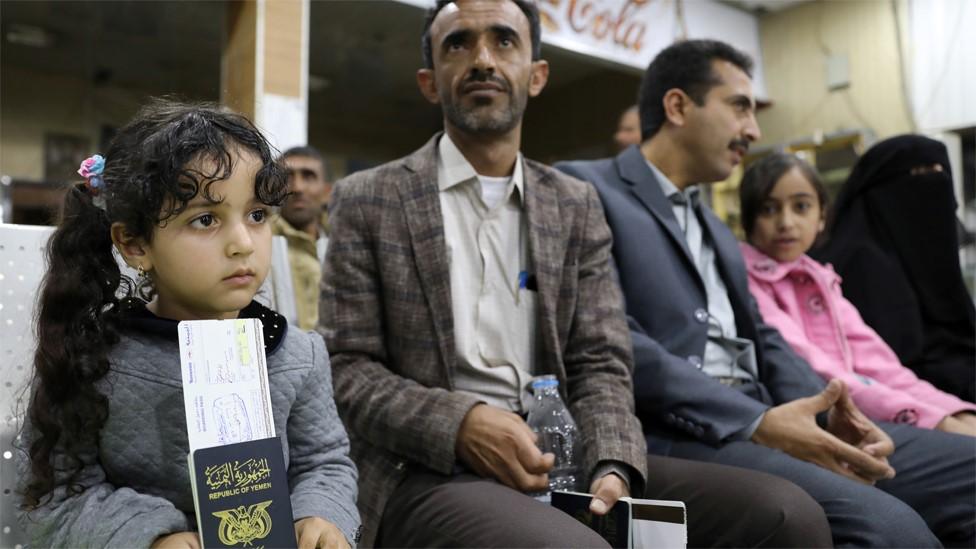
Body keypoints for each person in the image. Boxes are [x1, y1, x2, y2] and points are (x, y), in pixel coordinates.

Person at [320, 2, 830, 548]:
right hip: (429, 466)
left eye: (504, 41)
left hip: (566, 454)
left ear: (536, 75)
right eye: (458, 44)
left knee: (785, 516)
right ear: (429, 82)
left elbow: (601, 358)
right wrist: (460, 422)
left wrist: (613, 461)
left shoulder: (573, 203)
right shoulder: (369, 199)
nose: (483, 60)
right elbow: (348, 368)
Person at [556, 39, 976, 547]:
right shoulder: (585, 189)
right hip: (682, 432)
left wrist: (833, 413)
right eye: (739, 107)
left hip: (769, 414)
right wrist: (757, 420)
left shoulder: (714, 225)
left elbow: (765, 338)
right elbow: (615, 339)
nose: (752, 131)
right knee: (892, 530)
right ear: (677, 106)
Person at [16, 100, 360, 549]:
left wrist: (321, 515)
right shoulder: (94, 358)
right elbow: (59, 495)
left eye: (257, 215)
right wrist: (153, 536)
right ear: (135, 244)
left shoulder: (297, 355)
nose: (242, 244)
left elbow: (325, 462)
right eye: (205, 219)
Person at [738, 151, 976, 434]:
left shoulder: (821, 278)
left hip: (867, 408)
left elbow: (880, 365)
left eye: (801, 206)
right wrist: (934, 420)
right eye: (768, 209)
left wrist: (952, 411)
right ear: (748, 222)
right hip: (814, 423)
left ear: (822, 216)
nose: (786, 222)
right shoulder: (746, 281)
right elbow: (820, 369)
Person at [812, 135, 976, 402]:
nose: (936, 186)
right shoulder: (860, 262)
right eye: (919, 174)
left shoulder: (918, 252)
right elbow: (891, 370)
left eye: (941, 173)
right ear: (881, 189)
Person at [274, 145, 332, 330]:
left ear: (326, 191)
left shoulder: (343, 246)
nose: (297, 187)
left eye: (308, 176)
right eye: (287, 177)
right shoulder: (257, 245)